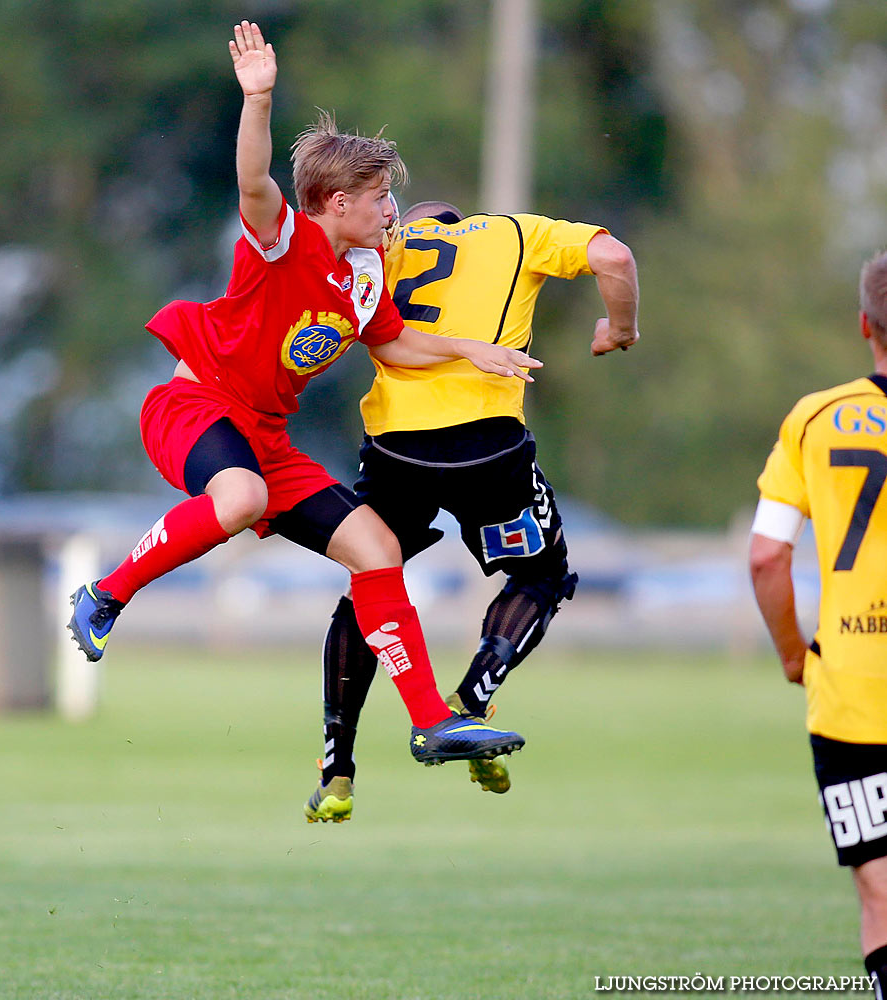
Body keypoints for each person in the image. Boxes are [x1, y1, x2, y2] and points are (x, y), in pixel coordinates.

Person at [67, 21, 537, 770]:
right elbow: (254, 181)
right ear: (335, 202)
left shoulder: (365, 275)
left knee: (377, 548)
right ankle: (106, 595)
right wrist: (258, 101)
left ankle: (430, 723)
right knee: (241, 498)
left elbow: (393, 344)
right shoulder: (284, 240)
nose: (393, 212)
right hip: (195, 410)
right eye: (380, 198)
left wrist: (465, 349)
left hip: (265, 437)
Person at [304, 198, 639, 823]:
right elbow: (614, 257)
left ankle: (337, 769)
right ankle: (471, 700)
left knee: (369, 588)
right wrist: (619, 329)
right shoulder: (516, 233)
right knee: (542, 575)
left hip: (396, 449)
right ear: (462, 223)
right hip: (487, 447)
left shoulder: (376, 245)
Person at [749, 249, 887, 989]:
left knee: (881, 895)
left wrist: (794, 655)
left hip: (855, 687)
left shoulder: (818, 417)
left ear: (865, 324)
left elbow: (768, 558)